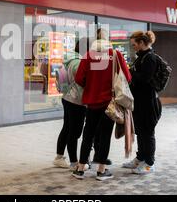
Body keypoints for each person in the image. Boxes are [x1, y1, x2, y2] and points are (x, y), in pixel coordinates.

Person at [72, 29, 131, 181]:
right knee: (104, 136)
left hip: (91, 103)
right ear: (107, 39)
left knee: (88, 135)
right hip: (109, 103)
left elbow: (79, 79)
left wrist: (91, 86)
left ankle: (80, 169)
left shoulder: (88, 56)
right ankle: (101, 170)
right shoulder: (116, 55)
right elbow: (128, 78)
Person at [124, 31, 161, 174]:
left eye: (134, 44)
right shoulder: (141, 58)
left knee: (148, 133)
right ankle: (140, 159)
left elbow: (145, 79)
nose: (133, 47)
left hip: (149, 103)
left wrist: (129, 72)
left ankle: (149, 164)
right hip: (140, 102)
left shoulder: (150, 58)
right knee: (141, 132)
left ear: (141, 43)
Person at [53, 38, 89, 170]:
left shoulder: (70, 58)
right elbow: (83, 82)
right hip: (76, 101)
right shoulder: (79, 63)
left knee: (67, 128)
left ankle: (59, 157)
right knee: (75, 132)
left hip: (67, 97)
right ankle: (74, 162)